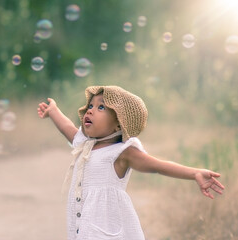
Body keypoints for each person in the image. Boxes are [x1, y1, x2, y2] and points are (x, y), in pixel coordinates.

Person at [37, 85, 225, 240]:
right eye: (90, 106)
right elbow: (68, 128)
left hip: (106, 230)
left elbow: (157, 166)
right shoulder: (85, 144)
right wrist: (53, 111)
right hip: (84, 228)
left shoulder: (122, 153)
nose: (90, 110)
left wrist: (194, 173)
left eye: (101, 107)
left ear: (119, 123)